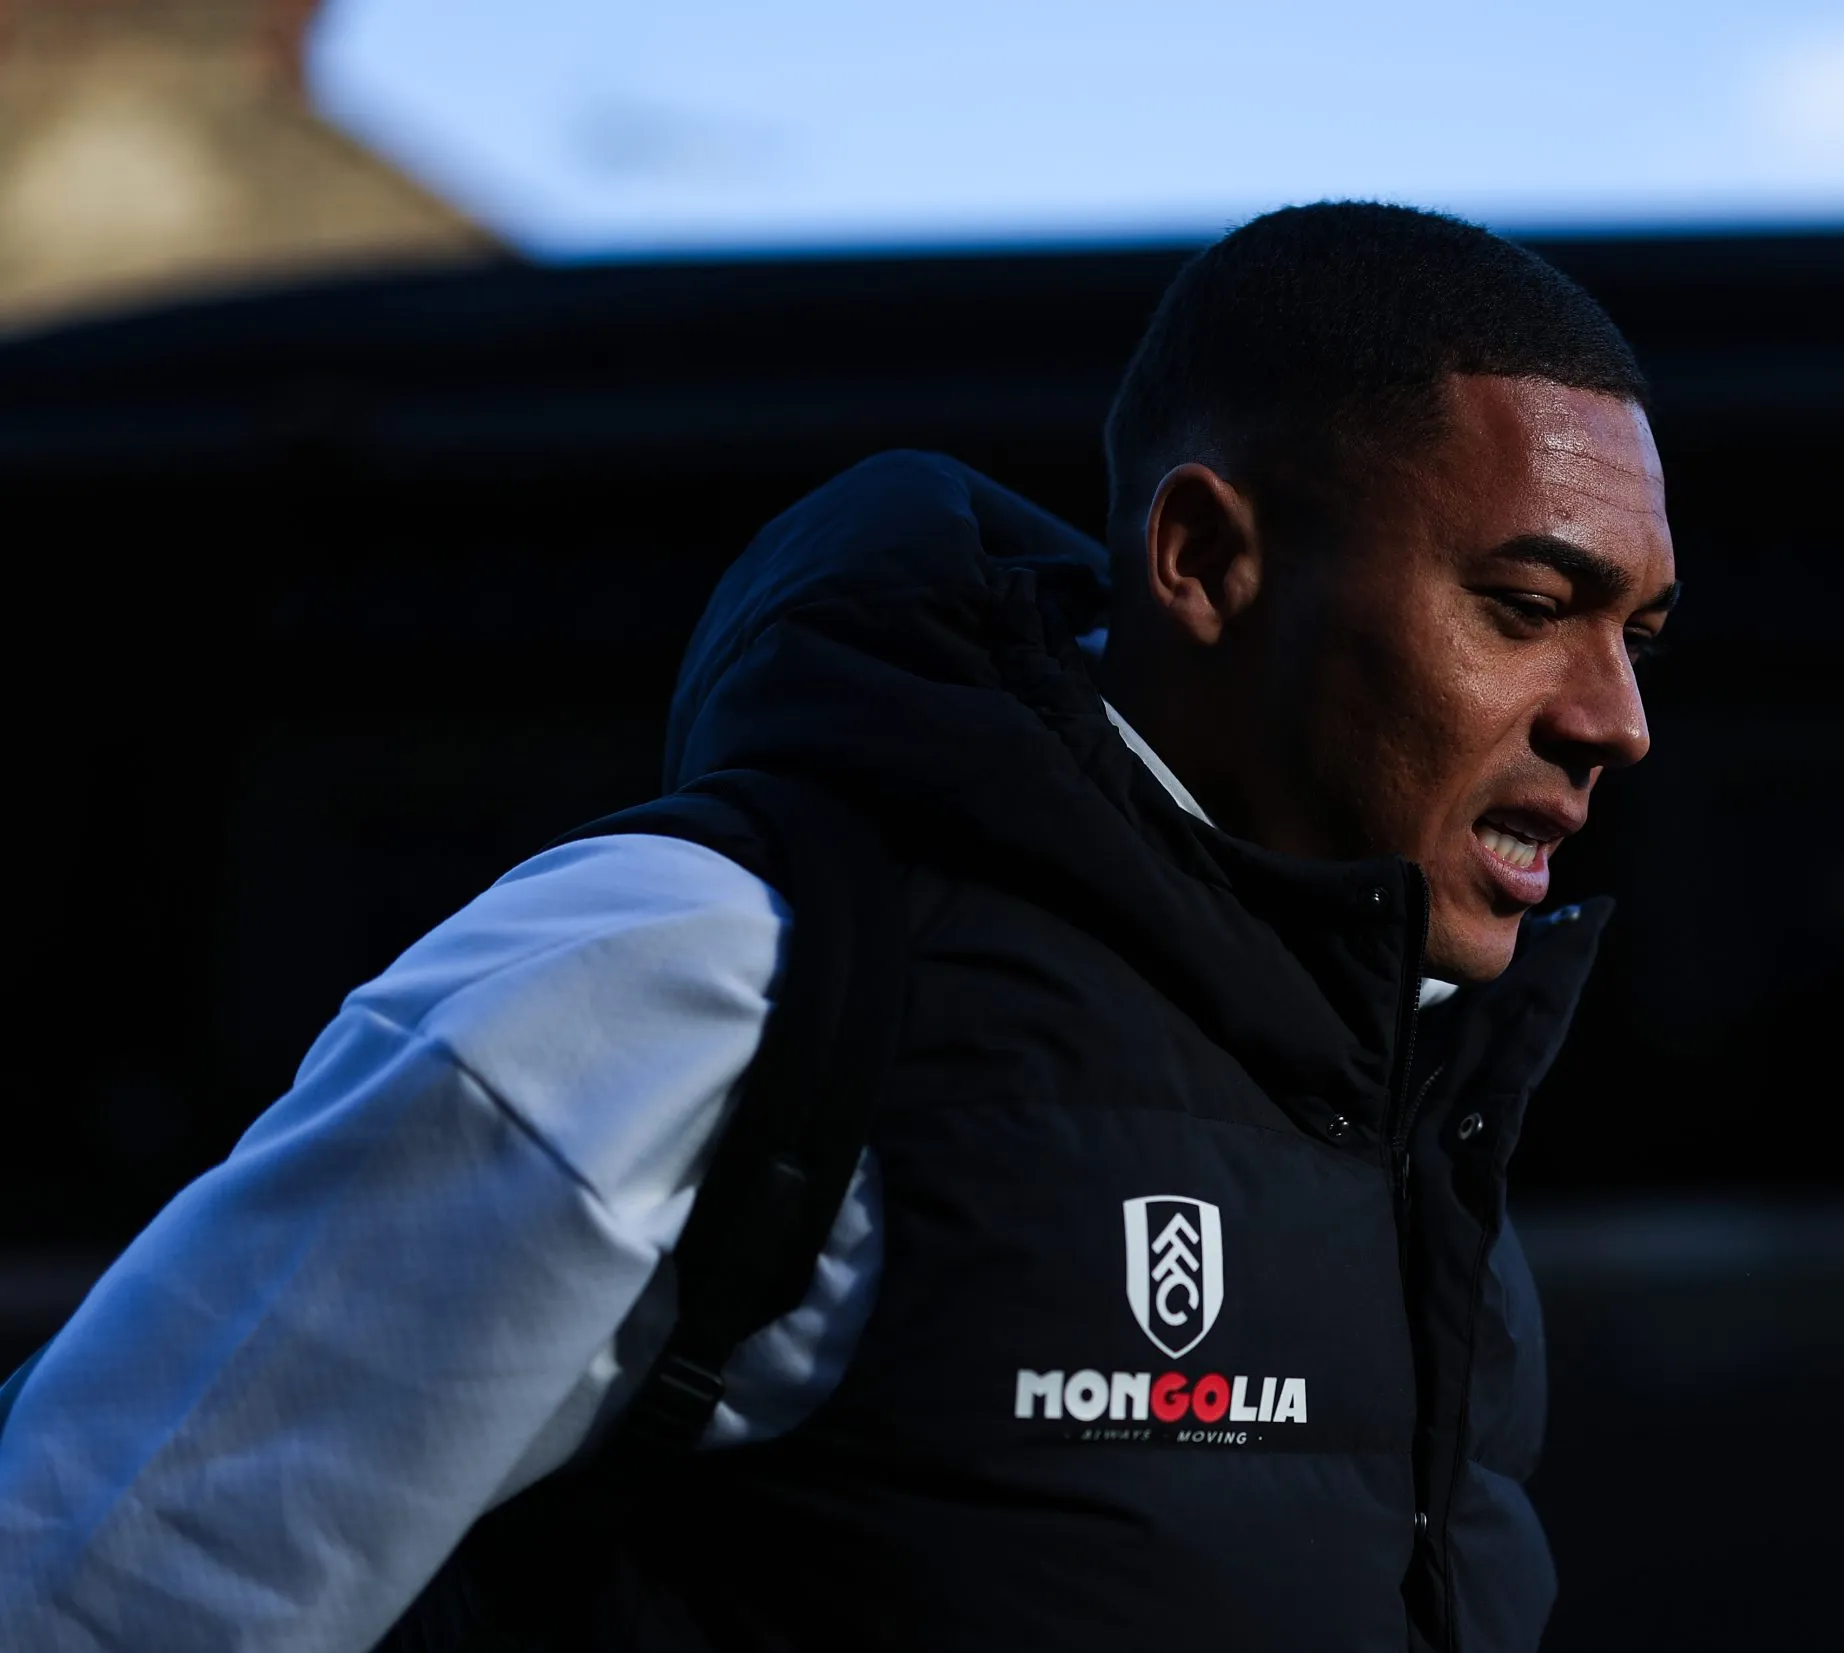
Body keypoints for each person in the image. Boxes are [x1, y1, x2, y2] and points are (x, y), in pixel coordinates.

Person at [0, 202, 1676, 1652]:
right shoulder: (705, 970)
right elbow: (91, 1592)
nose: (1617, 719)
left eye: (1638, 634)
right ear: (1203, 561)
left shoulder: (1414, 1089)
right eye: (1529, 609)